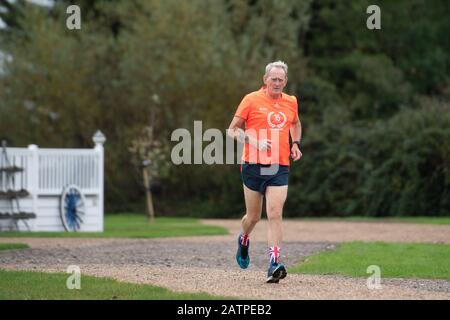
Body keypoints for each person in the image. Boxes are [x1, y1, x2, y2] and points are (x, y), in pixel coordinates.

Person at [228, 61, 302, 283]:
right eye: (273, 79)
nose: (277, 83)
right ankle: (243, 239)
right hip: (253, 165)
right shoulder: (251, 99)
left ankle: (274, 263)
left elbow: (295, 123)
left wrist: (296, 143)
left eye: (281, 80)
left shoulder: (291, 102)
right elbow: (232, 131)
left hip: (280, 166)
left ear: (285, 81)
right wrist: (254, 141)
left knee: (275, 213)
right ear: (265, 79)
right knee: (253, 217)